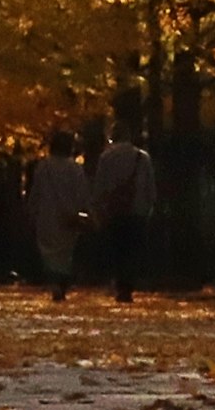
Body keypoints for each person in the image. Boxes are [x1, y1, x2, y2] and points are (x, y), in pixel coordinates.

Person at [88, 123, 156, 303]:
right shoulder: (143, 158)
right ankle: (128, 285)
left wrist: (97, 209)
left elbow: (100, 185)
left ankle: (120, 285)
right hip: (137, 211)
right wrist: (148, 207)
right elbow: (150, 188)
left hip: (114, 211)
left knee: (117, 249)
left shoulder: (106, 157)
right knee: (132, 249)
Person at [25, 126, 89, 302]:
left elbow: (36, 192)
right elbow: (82, 193)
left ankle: (54, 282)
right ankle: (62, 283)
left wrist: (32, 211)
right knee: (65, 253)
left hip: (47, 215)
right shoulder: (75, 168)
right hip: (69, 216)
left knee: (48, 253)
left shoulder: (43, 167)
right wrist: (85, 211)